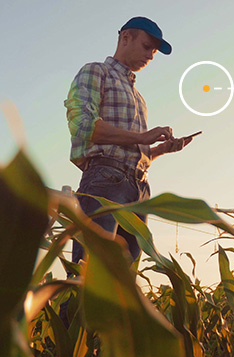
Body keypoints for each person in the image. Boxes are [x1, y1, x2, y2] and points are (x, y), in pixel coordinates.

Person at [65, 16, 192, 263]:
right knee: (90, 274)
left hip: (139, 188)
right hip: (105, 181)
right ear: (125, 38)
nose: (151, 56)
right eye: (147, 47)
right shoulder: (96, 72)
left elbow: (131, 151)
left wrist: (161, 150)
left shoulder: (138, 97)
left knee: (122, 285)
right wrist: (142, 136)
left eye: (154, 52)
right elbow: (82, 125)